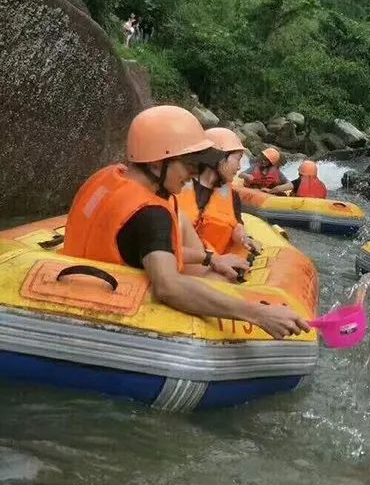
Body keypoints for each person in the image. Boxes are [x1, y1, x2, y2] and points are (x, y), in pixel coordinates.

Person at [63, 105, 308, 339]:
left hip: (69, 290)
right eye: (189, 164)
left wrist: (210, 258)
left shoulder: (107, 178)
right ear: (157, 162)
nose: (194, 172)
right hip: (111, 319)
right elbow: (168, 287)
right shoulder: (151, 214)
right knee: (221, 281)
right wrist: (259, 314)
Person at [177, 127, 261, 259]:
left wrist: (244, 238)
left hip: (213, 264)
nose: (239, 167)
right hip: (185, 260)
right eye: (237, 158)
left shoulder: (232, 196)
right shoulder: (177, 186)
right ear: (219, 156)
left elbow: (237, 225)